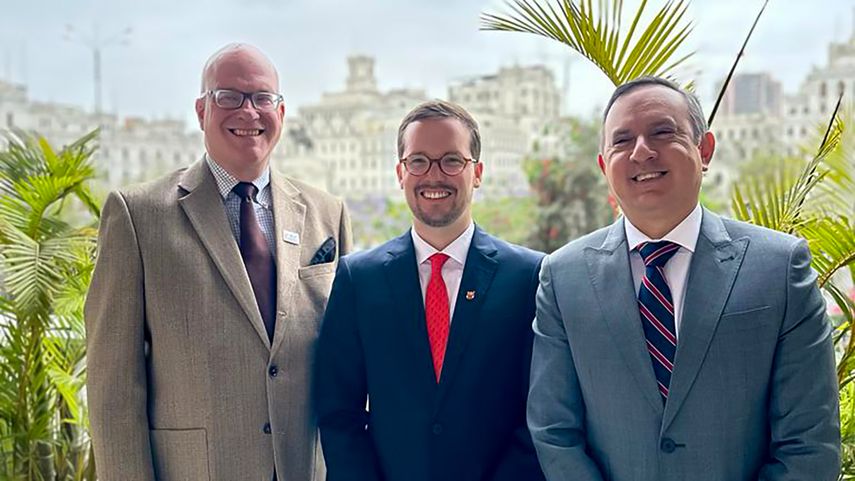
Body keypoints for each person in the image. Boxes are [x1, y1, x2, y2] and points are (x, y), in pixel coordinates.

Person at [527, 76, 840, 481]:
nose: (641, 151)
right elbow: (554, 433)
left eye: (662, 132)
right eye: (622, 141)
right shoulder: (563, 276)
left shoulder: (780, 268)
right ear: (605, 166)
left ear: (704, 149)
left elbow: (809, 443)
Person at [85, 43, 351, 481]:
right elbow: (113, 388)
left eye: (263, 98)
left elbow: (345, 367)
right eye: (229, 96)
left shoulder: (327, 214)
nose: (249, 112)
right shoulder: (137, 216)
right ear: (201, 111)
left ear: (281, 114)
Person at [314, 100, 545, 481]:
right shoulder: (359, 278)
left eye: (452, 160)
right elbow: (338, 410)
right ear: (400, 173)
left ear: (478, 173)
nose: (434, 175)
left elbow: (540, 410)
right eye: (418, 161)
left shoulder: (527, 276)